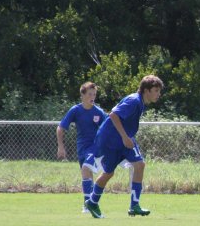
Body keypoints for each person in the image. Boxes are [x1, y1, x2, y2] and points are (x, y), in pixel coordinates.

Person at [83, 75, 164, 218]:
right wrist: (125, 137)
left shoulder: (139, 102)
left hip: (121, 138)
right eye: (156, 90)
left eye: (159, 91)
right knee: (109, 173)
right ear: (146, 90)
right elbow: (114, 115)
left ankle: (134, 206)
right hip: (112, 139)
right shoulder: (134, 101)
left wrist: (126, 137)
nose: (158, 94)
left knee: (139, 165)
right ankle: (93, 202)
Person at [57, 82, 108, 212]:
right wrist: (61, 147)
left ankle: (87, 205)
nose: (92, 97)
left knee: (86, 168)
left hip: (95, 147)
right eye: (90, 94)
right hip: (82, 148)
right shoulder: (75, 110)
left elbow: (109, 127)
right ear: (82, 95)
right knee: (87, 175)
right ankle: (90, 202)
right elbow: (61, 128)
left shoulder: (99, 112)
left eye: (94, 94)